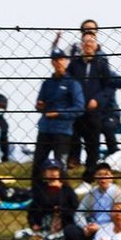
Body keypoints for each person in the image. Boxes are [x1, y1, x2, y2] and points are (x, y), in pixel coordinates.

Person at [68, 31, 119, 190]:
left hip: (94, 112)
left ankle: (88, 179)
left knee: (92, 146)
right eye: (85, 42)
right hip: (76, 111)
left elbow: (108, 86)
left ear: (96, 45)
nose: (88, 45)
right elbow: (68, 83)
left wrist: (97, 100)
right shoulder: (74, 64)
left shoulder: (101, 64)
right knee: (72, 139)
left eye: (91, 42)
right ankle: (70, 166)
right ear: (81, 45)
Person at [32, 49, 84, 183]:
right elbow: (40, 103)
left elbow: (79, 108)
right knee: (38, 164)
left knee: (60, 165)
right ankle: (36, 191)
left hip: (62, 130)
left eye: (61, 59)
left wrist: (59, 113)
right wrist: (40, 105)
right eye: (55, 60)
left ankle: (64, 191)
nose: (58, 62)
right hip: (45, 128)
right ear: (52, 62)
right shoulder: (47, 83)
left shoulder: (73, 83)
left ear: (66, 61)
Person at [15, 161, 78, 240]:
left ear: (59, 172)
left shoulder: (67, 190)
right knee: (19, 235)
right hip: (43, 226)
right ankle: (44, 238)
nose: (52, 172)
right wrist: (33, 224)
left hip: (61, 225)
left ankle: (52, 239)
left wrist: (62, 213)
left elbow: (74, 208)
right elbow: (32, 210)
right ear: (45, 173)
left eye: (55, 170)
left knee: (60, 236)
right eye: (50, 170)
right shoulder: (41, 189)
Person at [64, 162, 121, 240]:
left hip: (111, 228)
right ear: (95, 177)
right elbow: (80, 212)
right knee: (69, 229)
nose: (103, 178)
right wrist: (85, 227)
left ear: (111, 177)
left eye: (106, 175)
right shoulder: (92, 193)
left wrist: (99, 228)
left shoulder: (119, 193)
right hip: (92, 227)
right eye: (99, 175)